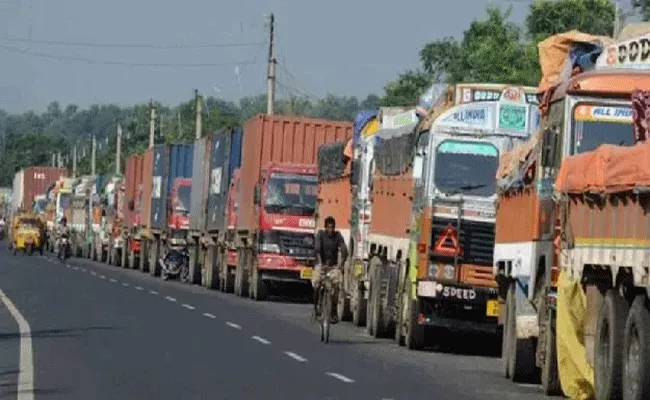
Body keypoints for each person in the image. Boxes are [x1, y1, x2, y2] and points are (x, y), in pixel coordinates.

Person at [312, 216, 348, 323]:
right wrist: (320, 263)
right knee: (317, 283)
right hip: (321, 264)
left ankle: (333, 311)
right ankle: (316, 308)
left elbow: (343, 248)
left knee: (337, 286)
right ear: (325, 227)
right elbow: (317, 249)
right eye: (328, 227)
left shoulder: (338, 236)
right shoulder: (320, 235)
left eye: (332, 227)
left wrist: (341, 264)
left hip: (333, 266)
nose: (330, 230)